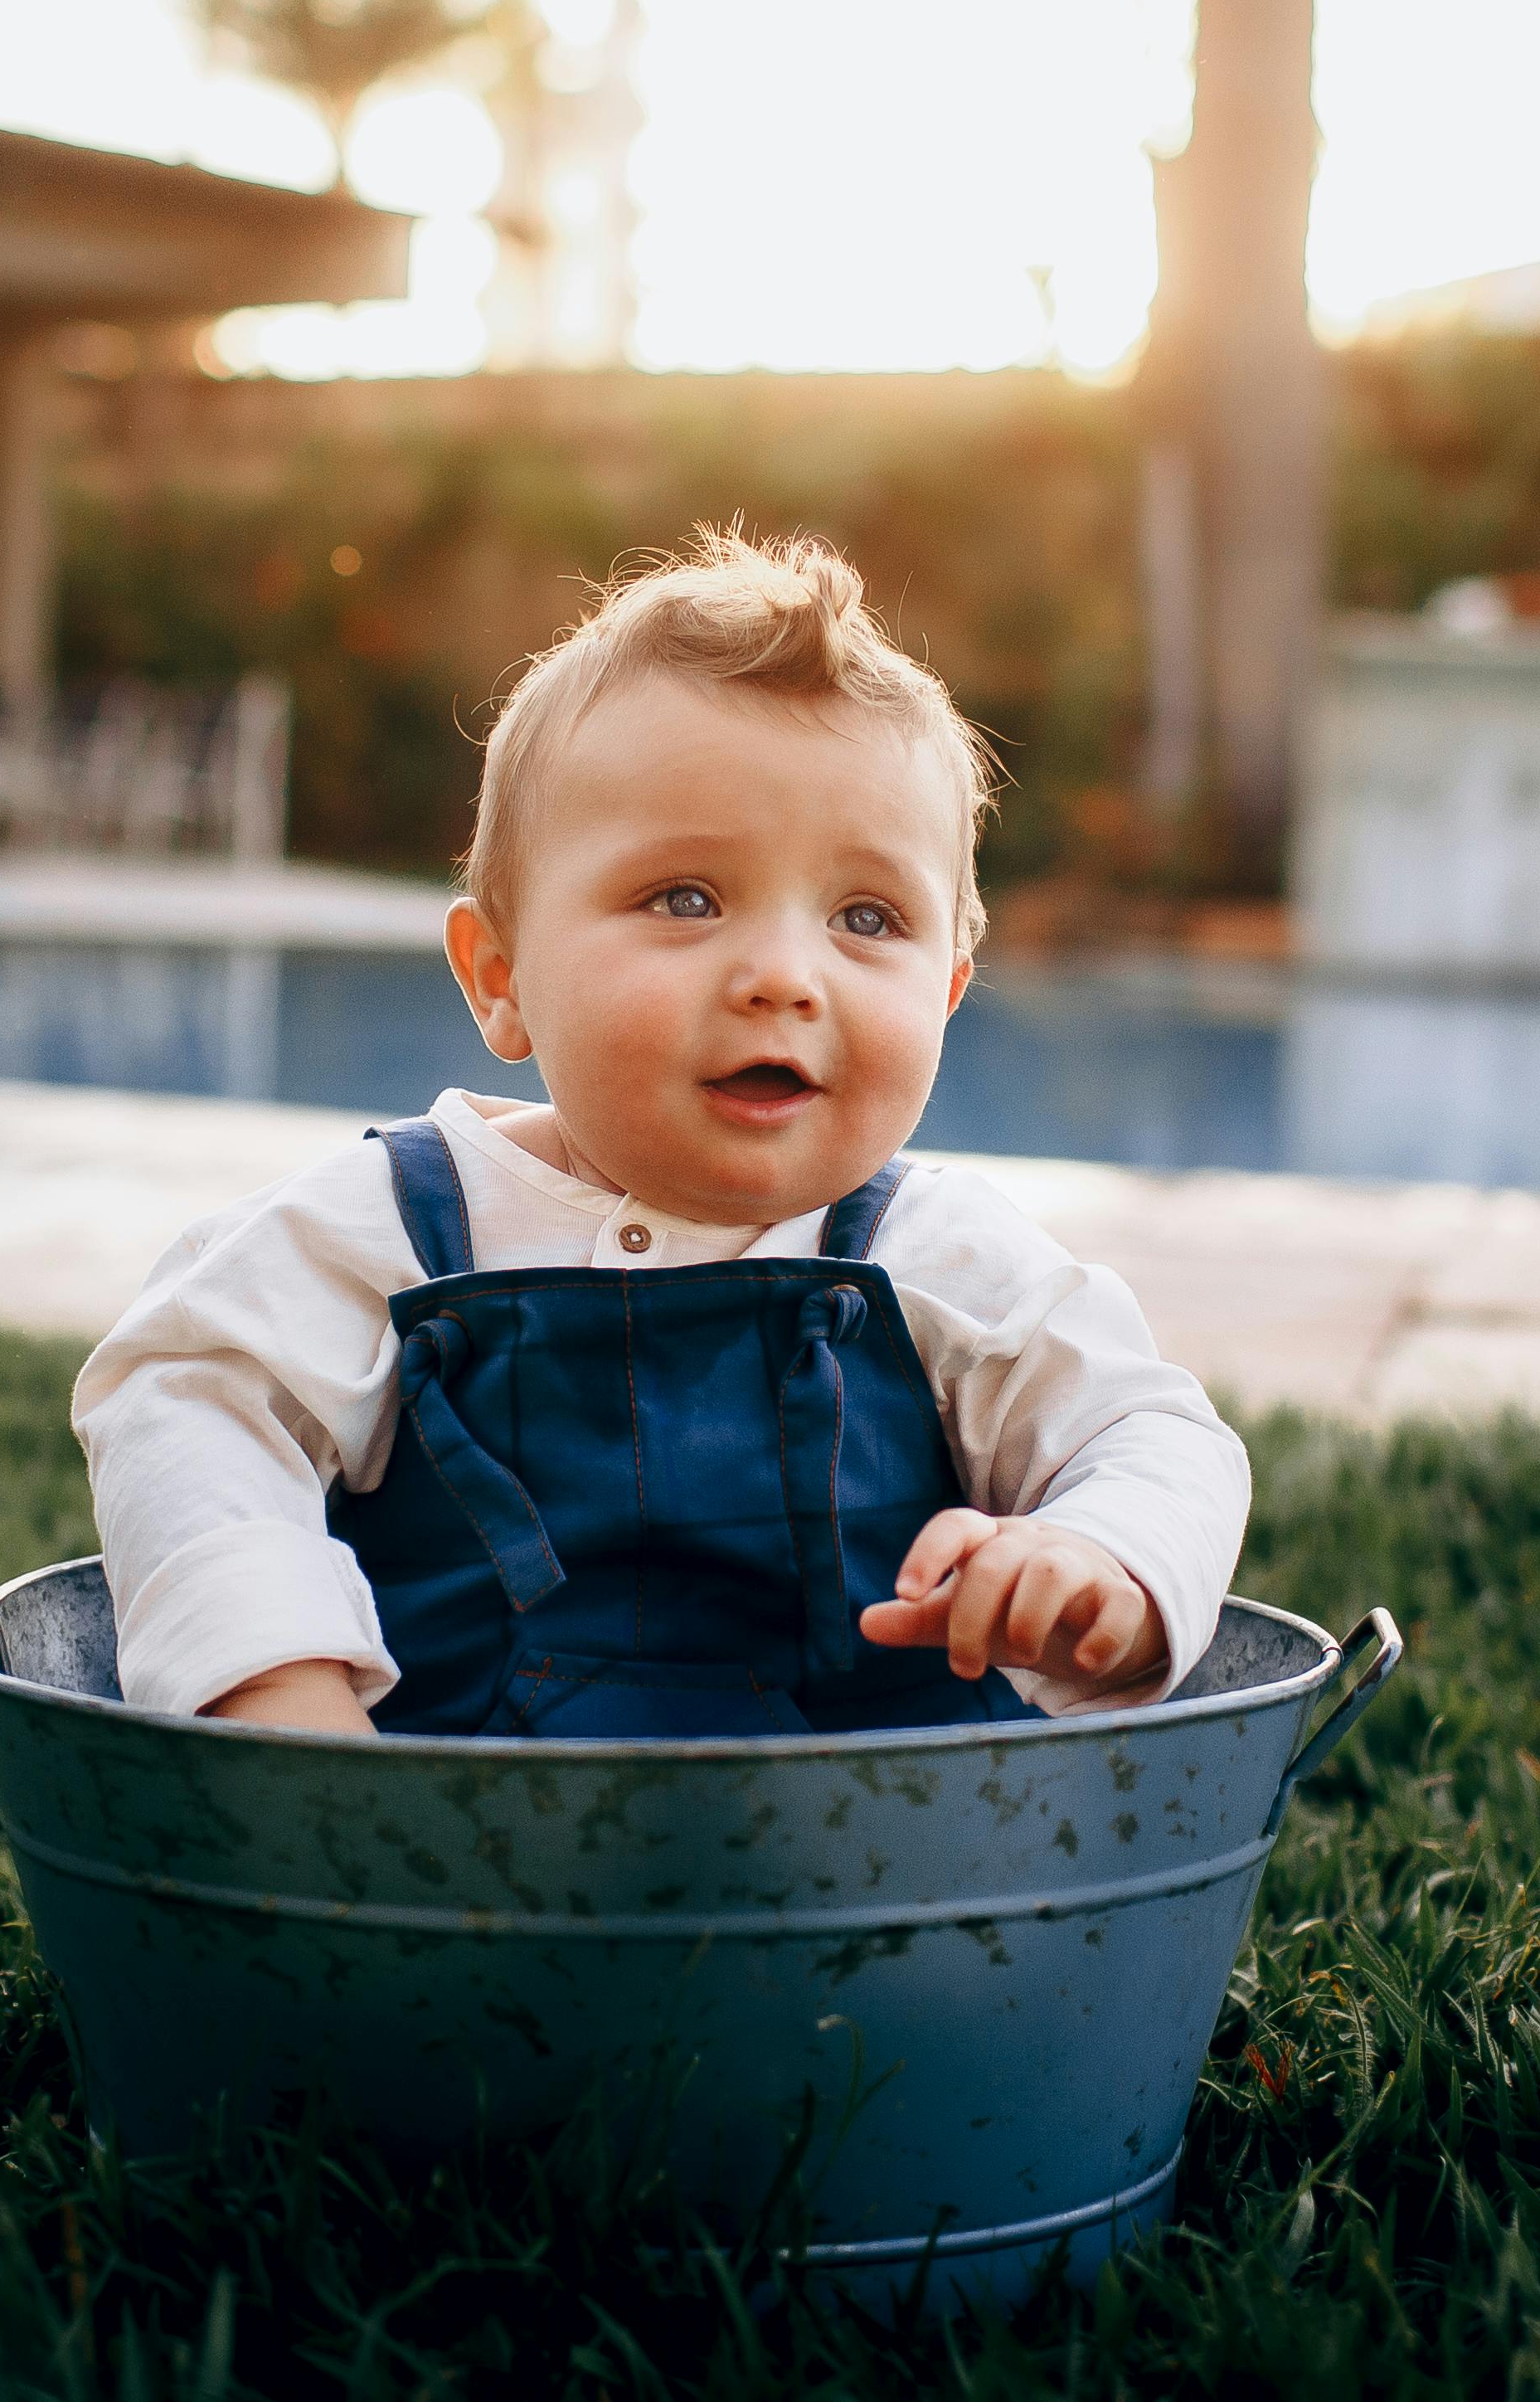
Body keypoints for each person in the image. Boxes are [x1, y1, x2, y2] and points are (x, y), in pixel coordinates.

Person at [71, 530, 1247, 1738]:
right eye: (685, 898)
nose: (785, 976)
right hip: (430, 1854)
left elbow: (1150, 1432)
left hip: (878, 1864)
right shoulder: (392, 1230)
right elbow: (187, 1394)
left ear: (947, 991)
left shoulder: (941, 1256)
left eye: (866, 915)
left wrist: (1097, 1556)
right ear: (502, 976)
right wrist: (275, 1684)